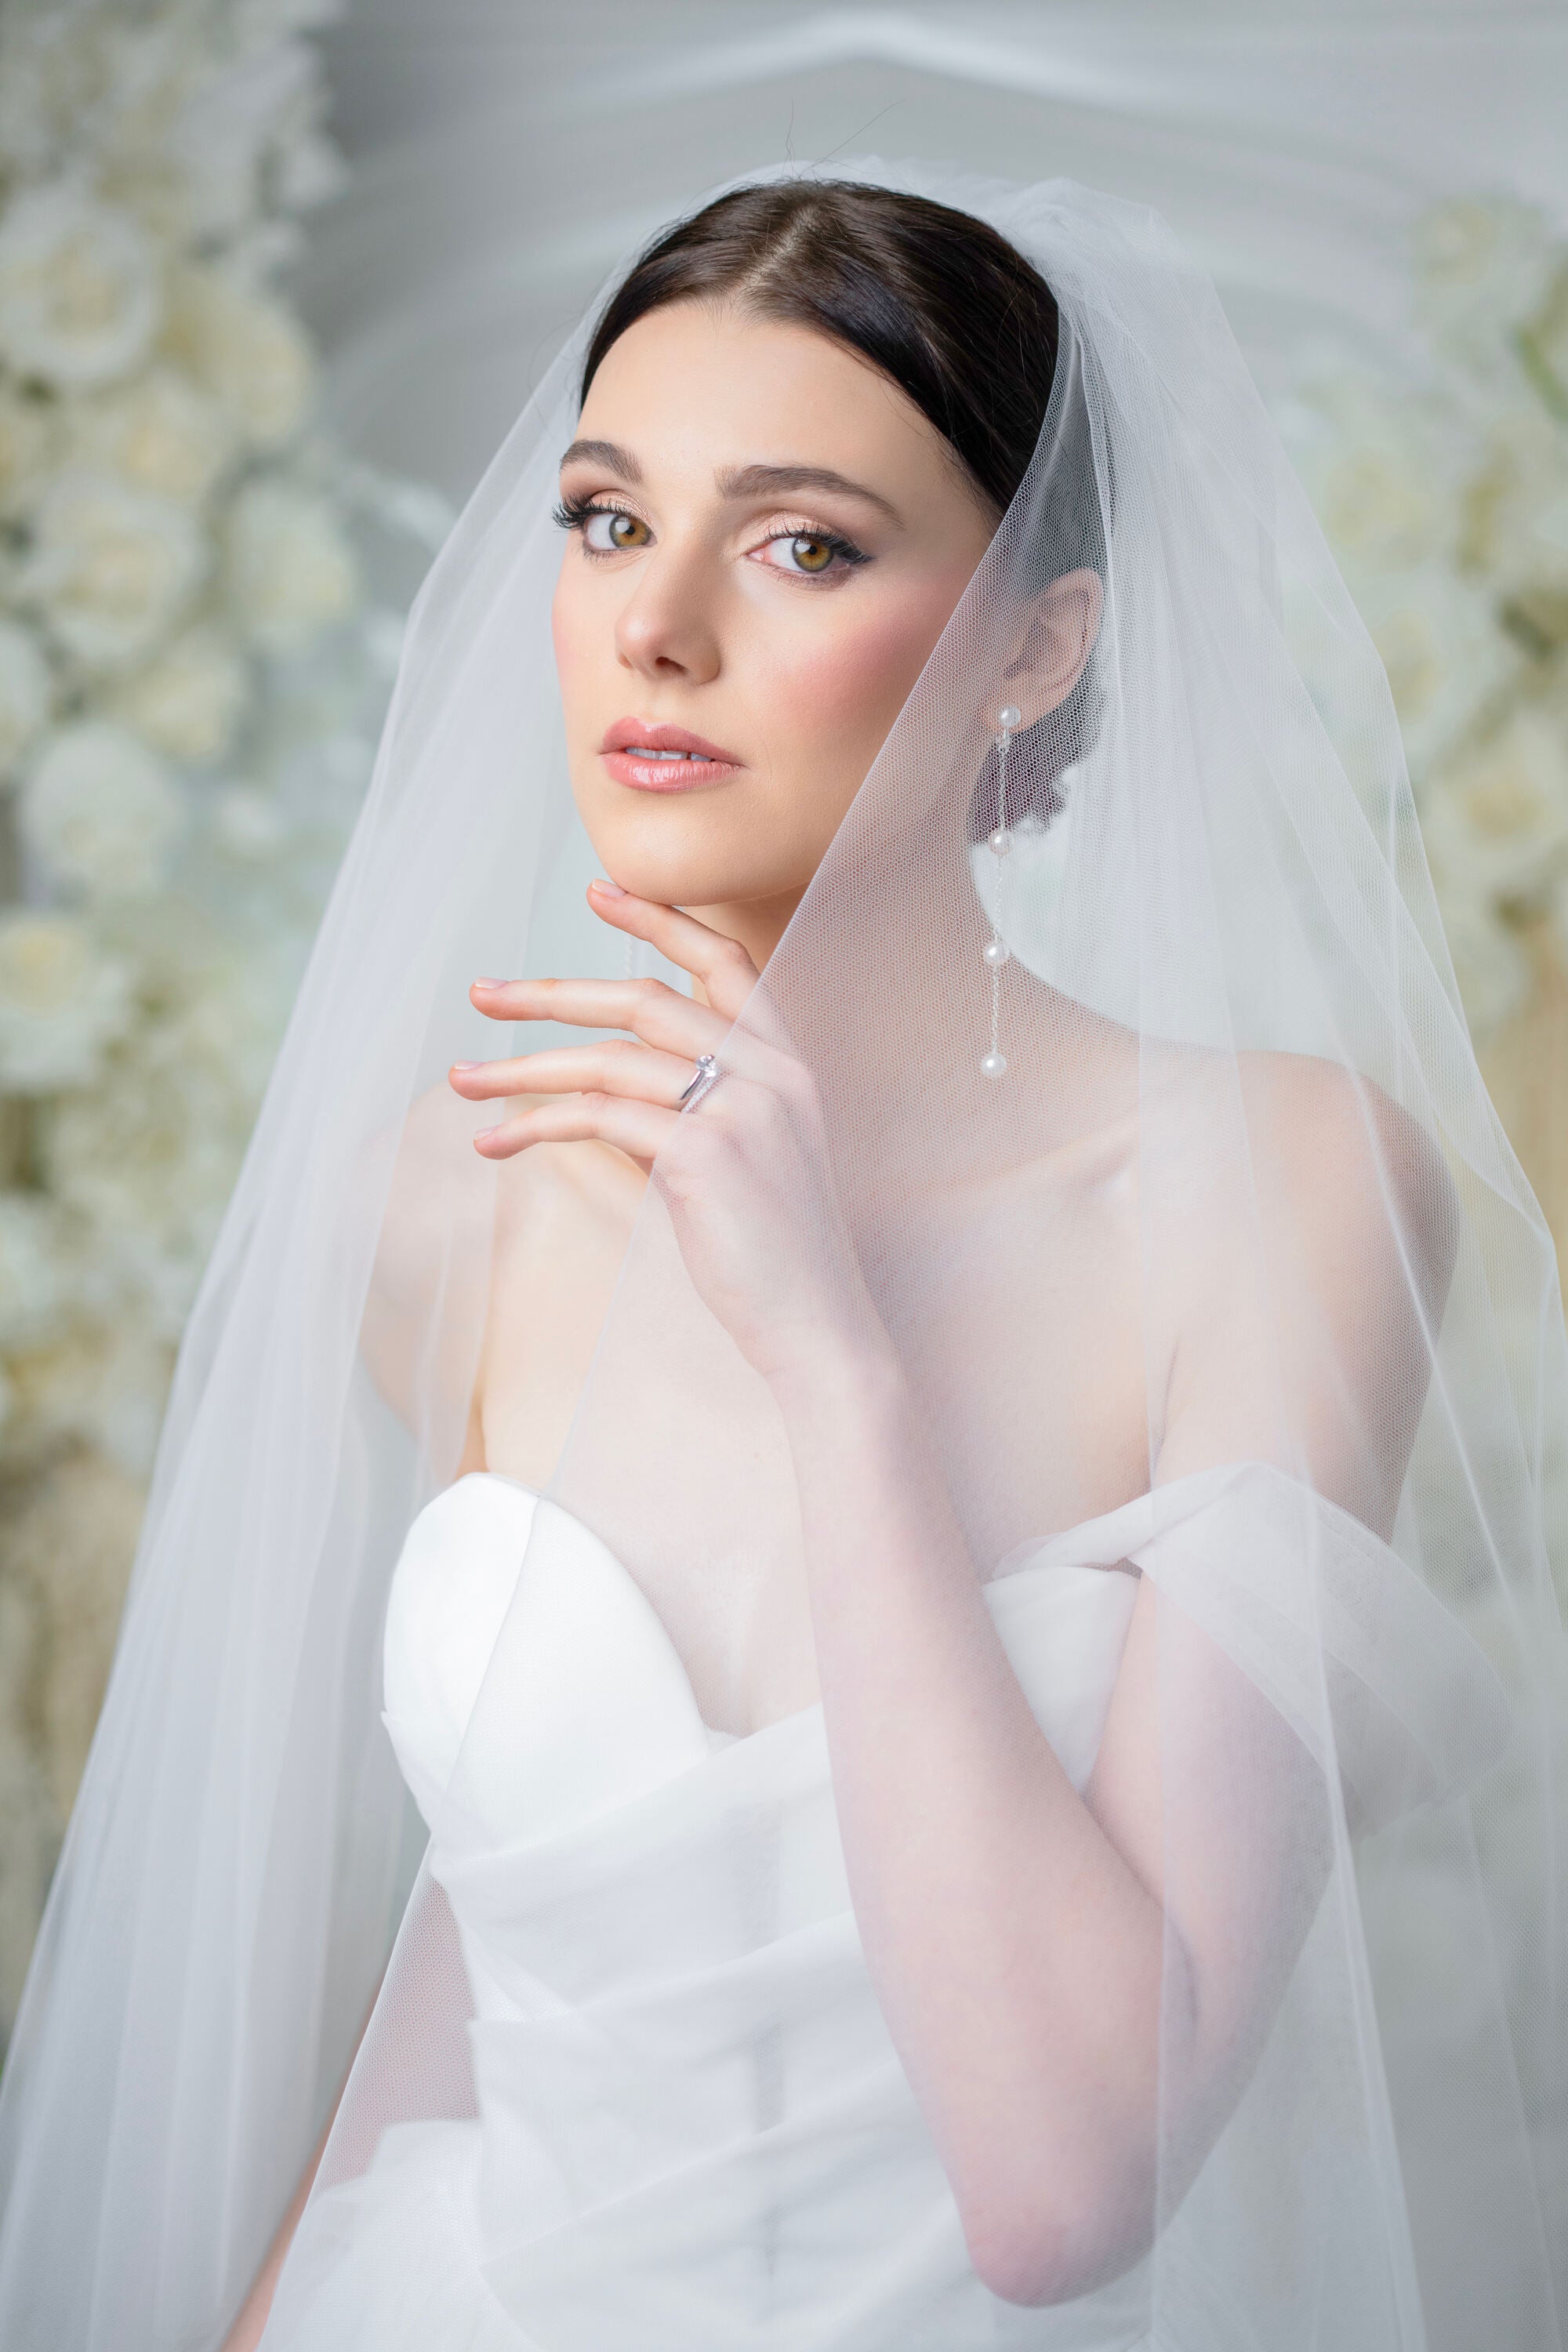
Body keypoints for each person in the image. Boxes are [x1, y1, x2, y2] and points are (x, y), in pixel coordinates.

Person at [1, 163, 1564, 2352]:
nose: (654, 627)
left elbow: (1061, 2182)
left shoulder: (1279, 1185)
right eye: (609, 519)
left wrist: (836, 1364)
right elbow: (497, 1964)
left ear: (1040, 641)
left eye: (805, 542)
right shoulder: (449, 1197)